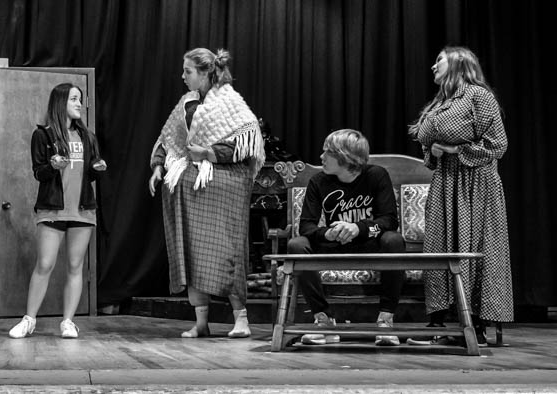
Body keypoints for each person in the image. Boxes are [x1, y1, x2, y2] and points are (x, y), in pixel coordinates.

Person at [148, 48, 265, 338]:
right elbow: (169, 138)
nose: (183, 76)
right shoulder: (187, 101)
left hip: (224, 186)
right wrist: (158, 166)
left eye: (188, 71)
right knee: (192, 251)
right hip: (189, 190)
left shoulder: (228, 100)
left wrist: (209, 153)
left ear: (204, 73)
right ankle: (201, 322)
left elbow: (245, 141)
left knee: (228, 250)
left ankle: (241, 319)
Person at [406, 46, 511, 347]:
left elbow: (498, 145)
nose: (433, 66)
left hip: (475, 182)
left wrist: (455, 149)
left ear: (458, 64)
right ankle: (438, 323)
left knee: (473, 246)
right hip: (445, 181)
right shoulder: (441, 101)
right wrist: (432, 150)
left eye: (439, 60)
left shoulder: (479, 96)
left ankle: (474, 325)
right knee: (438, 246)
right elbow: (427, 140)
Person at [287, 129, 405, 347]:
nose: (321, 157)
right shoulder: (318, 181)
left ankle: (385, 321)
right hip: (333, 245)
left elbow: (389, 220)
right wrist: (327, 233)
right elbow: (306, 226)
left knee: (394, 240)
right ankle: (323, 320)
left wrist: (358, 228)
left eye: (327, 152)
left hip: (369, 245)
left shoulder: (376, 175)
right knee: (296, 244)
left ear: (345, 156)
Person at [8, 83, 106, 339]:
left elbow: (90, 173)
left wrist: (97, 167)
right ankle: (29, 320)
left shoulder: (88, 136)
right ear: (60, 102)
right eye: (73, 99)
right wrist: (52, 166)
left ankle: (68, 322)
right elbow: (39, 172)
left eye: (80, 99)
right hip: (53, 209)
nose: (79, 104)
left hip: (82, 210)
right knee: (45, 264)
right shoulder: (43, 135)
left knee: (75, 266)